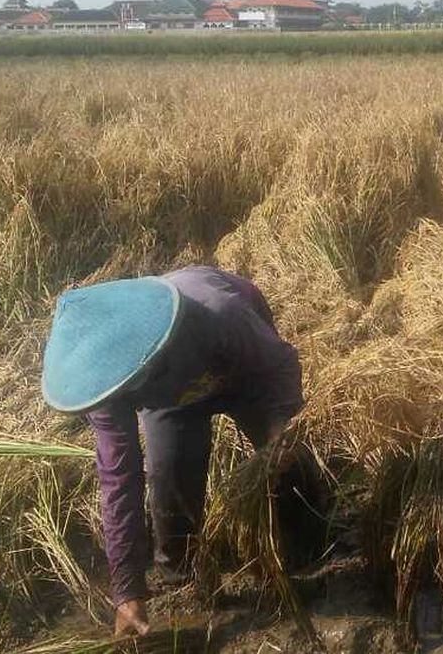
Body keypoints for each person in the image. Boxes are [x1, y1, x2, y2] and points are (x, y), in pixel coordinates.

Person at [41, 265, 306, 637]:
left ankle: (308, 538)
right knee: (167, 473)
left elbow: (278, 364)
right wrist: (127, 592)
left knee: (284, 462)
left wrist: (278, 430)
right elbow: (119, 480)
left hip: (241, 372)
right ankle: (185, 578)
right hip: (171, 397)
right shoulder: (105, 385)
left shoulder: (218, 311)